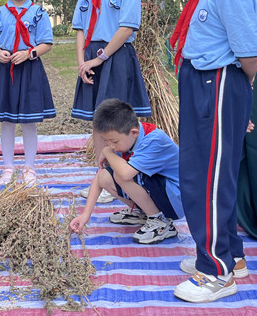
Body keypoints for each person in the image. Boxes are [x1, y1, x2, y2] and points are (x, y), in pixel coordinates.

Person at [170, 0, 257, 303]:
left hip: (219, 83)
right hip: (203, 82)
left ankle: (216, 273)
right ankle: (231, 256)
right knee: (203, 172)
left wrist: (240, 94)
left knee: (206, 179)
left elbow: (249, 53)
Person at [71, 0, 151, 204]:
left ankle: (123, 180)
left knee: (116, 121)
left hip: (114, 57)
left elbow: (127, 27)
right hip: (92, 57)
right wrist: (83, 61)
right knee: (97, 120)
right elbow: (80, 27)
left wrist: (100, 57)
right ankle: (102, 178)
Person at [70, 99, 183, 244]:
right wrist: (85, 215)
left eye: (114, 142)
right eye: (107, 142)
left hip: (177, 199)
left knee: (121, 173)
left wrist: (107, 151)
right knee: (105, 176)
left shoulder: (154, 140)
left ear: (134, 132)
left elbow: (125, 174)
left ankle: (160, 222)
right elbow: (100, 178)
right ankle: (144, 213)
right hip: (160, 191)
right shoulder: (126, 140)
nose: (111, 146)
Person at [0, 0, 55, 186]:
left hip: (29, 70)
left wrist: (30, 53)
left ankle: (29, 168)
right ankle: (8, 167)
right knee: (6, 121)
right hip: (5, 71)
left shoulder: (38, 13)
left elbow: (47, 42)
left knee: (28, 121)